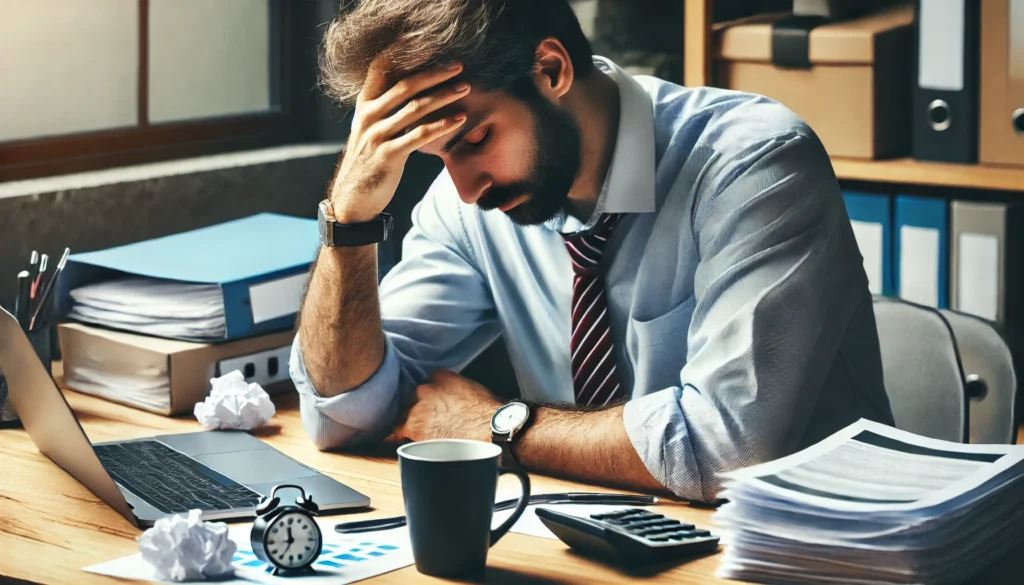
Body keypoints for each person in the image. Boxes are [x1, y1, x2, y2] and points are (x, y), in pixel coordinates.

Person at [291, 0, 894, 502]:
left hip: (812, 547)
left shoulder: (752, 165)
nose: (466, 189)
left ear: (550, 70)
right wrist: (349, 221)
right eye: (439, 156)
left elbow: (724, 448)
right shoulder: (468, 202)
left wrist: (496, 427)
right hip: (606, 540)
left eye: (475, 138)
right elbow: (344, 415)